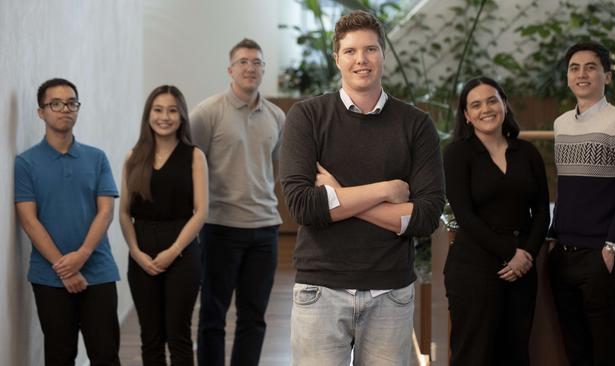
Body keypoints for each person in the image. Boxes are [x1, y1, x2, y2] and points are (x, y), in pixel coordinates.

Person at [280, 10, 445, 365]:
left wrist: (337, 194)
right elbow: (303, 207)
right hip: (320, 290)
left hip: (391, 293)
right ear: (336, 58)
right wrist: (386, 190)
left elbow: (427, 216)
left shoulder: (416, 125)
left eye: (370, 50)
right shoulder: (306, 117)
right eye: (351, 51)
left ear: (382, 54)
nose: (361, 60)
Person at [547, 41, 615, 366]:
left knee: (608, 350)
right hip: (563, 256)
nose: (582, 74)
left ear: (608, 75)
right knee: (576, 349)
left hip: (601, 257)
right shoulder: (561, 125)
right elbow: (568, 190)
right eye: (574, 68)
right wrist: (552, 236)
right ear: (567, 77)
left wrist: (611, 247)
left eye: (591, 67)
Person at [443, 76, 550, 366]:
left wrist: (525, 256)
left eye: (492, 100)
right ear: (466, 115)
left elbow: (542, 211)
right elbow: (464, 216)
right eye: (475, 105)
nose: (485, 109)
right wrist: (510, 254)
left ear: (504, 103)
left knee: (515, 353)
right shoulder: (457, 154)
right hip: (474, 269)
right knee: (473, 355)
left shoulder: (527, 153)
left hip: (522, 269)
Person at [191, 38, 285, 366]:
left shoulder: (276, 116)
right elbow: (191, 166)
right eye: (243, 62)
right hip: (220, 228)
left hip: (265, 230)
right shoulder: (206, 113)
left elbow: (275, 167)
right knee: (213, 315)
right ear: (230, 69)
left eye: (257, 62)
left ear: (263, 70)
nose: (250, 67)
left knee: (254, 317)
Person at [14, 78, 121, 365]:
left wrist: (83, 255)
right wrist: (65, 269)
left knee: (106, 354)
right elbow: (29, 220)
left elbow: (106, 212)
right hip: (49, 275)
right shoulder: (25, 163)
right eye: (56, 104)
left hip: (98, 270)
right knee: (60, 356)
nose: (65, 109)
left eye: (71, 103)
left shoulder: (97, 158)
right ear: (41, 112)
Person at [119, 85, 208, 365]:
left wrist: (174, 250)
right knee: (151, 337)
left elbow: (201, 211)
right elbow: (123, 213)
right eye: (158, 110)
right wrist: (135, 252)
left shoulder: (194, 155)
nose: (165, 116)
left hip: (181, 251)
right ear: (148, 115)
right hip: (141, 251)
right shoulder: (133, 156)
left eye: (172, 110)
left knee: (178, 334)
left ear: (182, 116)